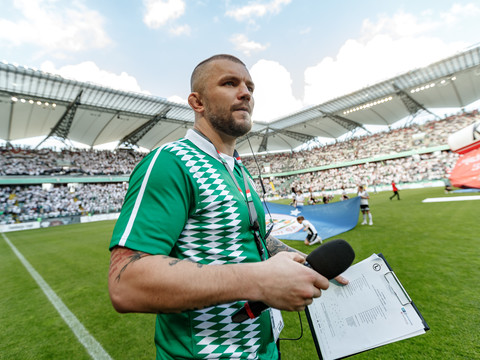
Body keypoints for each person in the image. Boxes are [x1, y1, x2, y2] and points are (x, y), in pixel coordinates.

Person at [108, 54, 348, 360]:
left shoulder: (238, 171)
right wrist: (259, 280)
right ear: (198, 103)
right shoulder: (170, 162)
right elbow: (125, 284)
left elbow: (252, 238)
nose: (246, 92)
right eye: (229, 83)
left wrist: (297, 259)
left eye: (250, 86)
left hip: (265, 350)